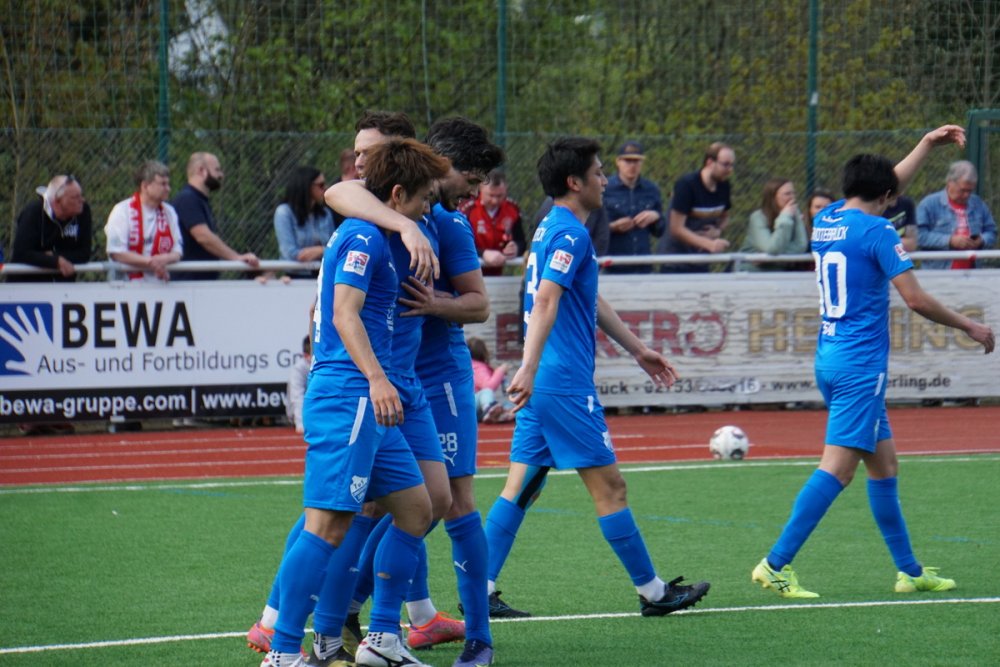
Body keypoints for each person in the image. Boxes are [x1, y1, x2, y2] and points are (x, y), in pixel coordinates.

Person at [750, 125, 995, 600]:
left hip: (831, 357)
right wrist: (968, 325)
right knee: (838, 470)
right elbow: (915, 299)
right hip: (860, 367)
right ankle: (775, 564)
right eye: (890, 196)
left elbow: (886, 185)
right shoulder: (879, 231)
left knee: (884, 468)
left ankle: (909, 571)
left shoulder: (828, 219)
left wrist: (926, 144)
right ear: (885, 197)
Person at [484, 136, 710, 620]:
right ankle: (653, 593)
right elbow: (547, 300)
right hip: (562, 383)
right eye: (599, 172)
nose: (605, 180)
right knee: (611, 488)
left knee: (521, 487)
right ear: (575, 182)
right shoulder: (571, 234)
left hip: (546, 382)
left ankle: (478, 587)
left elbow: (584, 298)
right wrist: (528, 365)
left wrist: (638, 349)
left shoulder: (550, 227)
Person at [260, 138, 449, 667]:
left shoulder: (375, 229)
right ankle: (282, 651)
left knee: (417, 509)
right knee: (326, 525)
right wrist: (377, 378)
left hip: (369, 399)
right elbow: (345, 314)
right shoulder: (365, 235)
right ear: (397, 194)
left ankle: (382, 638)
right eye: (421, 199)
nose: (426, 210)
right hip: (351, 395)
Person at [326, 116, 505, 667]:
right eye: (471, 179)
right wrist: (405, 227)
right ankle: (328, 619)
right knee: (365, 505)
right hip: (387, 379)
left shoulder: (446, 224)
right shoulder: (393, 215)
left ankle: (476, 637)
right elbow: (338, 192)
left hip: (436, 379)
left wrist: (435, 304)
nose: (475, 192)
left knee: (449, 503)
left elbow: (479, 304)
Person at [169, 152, 259, 280]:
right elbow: (203, 236)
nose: (221, 175)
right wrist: (235, 257)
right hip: (188, 283)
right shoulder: (188, 199)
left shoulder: (200, 200)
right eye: (217, 170)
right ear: (201, 171)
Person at [658, 142, 735, 273]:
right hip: (676, 262)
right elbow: (676, 229)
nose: (730, 170)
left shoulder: (724, 186)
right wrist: (709, 244)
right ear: (710, 163)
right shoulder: (687, 185)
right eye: (725, 164)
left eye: (732, 165)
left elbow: (725, 216)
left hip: (701, 260)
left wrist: (717, 231)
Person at [105, 160, 182, 281]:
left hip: (160, 285)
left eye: (168, 184)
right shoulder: (122, 211)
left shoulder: (169, 212)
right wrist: (151, 262)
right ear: (145, 186)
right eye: (163, 184)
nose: (168, 189)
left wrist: (164, 259)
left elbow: (177, 251)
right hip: (126, 286)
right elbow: (117, 253)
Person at [8, 175, 92, 282]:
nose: (81, 200)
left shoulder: (83, 212)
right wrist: (55, 261)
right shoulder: (33, 212)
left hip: (63, 287)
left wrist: (54, 256)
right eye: (75, 197)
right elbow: (22, 253)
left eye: (81, 195)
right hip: (27, 285)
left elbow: (84, 253)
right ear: (57, 201)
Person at [916, 160, 997, 269]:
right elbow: (918, 236)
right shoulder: (929, 204)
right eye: (962, 190)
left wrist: (981, 240)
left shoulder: (978, 204)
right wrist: (949, 240)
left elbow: (992, 232)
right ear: (949, 182)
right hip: (938, 273)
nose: (966, 195)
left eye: (970, 191)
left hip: (973, 272)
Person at [604, 140, 665, 274]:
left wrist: (655, 216)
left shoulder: (651, 189)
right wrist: (613, 227)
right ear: (618, 162)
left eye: (636, 161)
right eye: (628, 161)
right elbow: (592, 229)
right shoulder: (604, 190)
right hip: (613, 266)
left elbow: (660, 230)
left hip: (643, 265)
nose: (632, 165)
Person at [461, 168, 525, 276]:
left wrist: (516, 248)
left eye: (500, 196)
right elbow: (460, 246)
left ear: (506, 189)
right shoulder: (467, 210)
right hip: (469, 272)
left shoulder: (512, 210)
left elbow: (521, 242)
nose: (495, 201)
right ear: (481, 188)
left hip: (498, 274)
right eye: (490, 195)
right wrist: (483, 254)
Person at [273, 166, 334, 272]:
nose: (325, 188)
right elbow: (289, 254)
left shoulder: (325, 214)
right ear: (307, 186)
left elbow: (335, 248)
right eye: (321, 185)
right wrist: (325, 250)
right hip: (296, 276)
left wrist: (320, 250)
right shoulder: (284, 212)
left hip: (323, 274)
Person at [739, 178, 809, 270]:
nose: (792, 198)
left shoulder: (794, 213)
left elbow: (801, 246)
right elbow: (772, 248)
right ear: (773, 197)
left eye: (793, 193)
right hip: (752, 271)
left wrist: (769, 258)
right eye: (787, 194)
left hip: (779, 271)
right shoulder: (758, 217)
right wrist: (785, 217)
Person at [468, 336, 515, 423]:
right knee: (486, 392)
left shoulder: (472, 366)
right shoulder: (475, 367)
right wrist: (500, 371)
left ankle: (500, 414)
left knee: (507, 405)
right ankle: (490, 411)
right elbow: (489, 386)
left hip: (473, 409)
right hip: (470, 406)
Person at [285, 335, 311, 434]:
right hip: (300, 414)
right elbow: (297, 397)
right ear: (306, 355)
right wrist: (300, 423)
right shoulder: (298, 369)